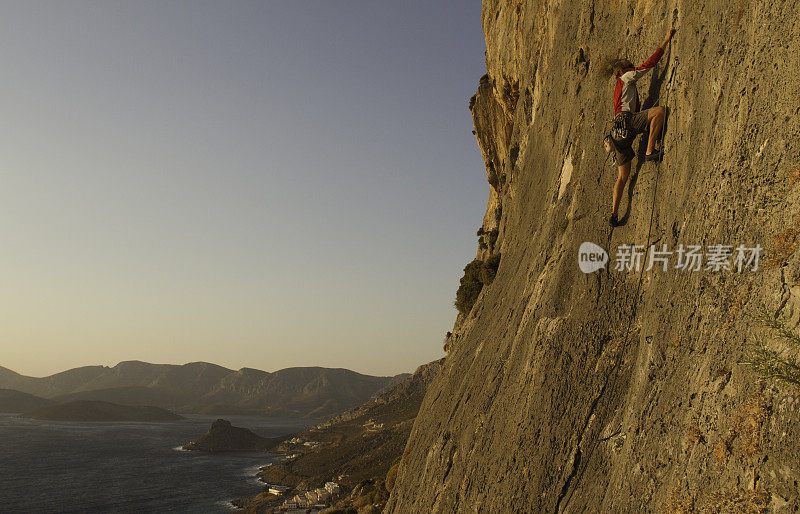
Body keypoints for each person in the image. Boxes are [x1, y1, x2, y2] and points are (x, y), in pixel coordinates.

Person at [607, 28, 676, 227]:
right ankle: (649, 149)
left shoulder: (618, 90)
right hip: (627, 122)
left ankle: (614, 213)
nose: (633, 67)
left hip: (617, 134)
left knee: (622, 176)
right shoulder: (626, 78)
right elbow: (649, 65)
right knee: (660, 111)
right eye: (630, 66)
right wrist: (665, 41)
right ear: (621, 71)